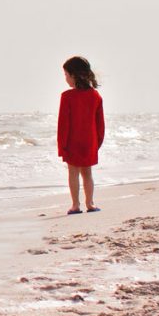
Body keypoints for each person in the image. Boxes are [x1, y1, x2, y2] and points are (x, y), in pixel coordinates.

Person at [57, 56, 105, 215]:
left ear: (74, 75)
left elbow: (63, 125)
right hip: (90, 141)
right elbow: (100, 124)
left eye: (66, 75)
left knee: (73, 173)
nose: (65, 79)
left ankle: (76, 205)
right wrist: (97, 143)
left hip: (72, 142)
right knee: (87, 174)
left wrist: (62, 146)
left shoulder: (67, 97)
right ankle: (90, 203)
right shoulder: (95, 96)